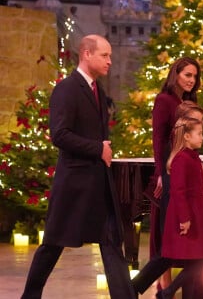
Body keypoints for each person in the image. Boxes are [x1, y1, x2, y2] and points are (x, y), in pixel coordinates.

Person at [20, 35, 136, 299]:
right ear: (86, 54)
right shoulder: (67, 89)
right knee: (52, 245)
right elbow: (59, 135)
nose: (110, 61)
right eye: (104, 55)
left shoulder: (98, 90)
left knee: (111, 242)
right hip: (75, 184)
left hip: (98, 183)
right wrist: (98, 149)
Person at [132, 57, 203, 296]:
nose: (192, 80)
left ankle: (164, 290)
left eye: (194, 76)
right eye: (187, 75)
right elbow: (159, 139)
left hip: (187, 172)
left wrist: (199, 164)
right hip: (172, 174)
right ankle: (138, 288)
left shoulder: (189, 101)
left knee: (190, 242)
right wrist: (161, 173)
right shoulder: (164, 101)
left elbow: (191, 141)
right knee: (173, 240)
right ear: (176, 74)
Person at [156, 116, 203, 299]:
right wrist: (184, 218)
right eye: (199, 134)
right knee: (198, 260)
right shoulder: (181, 159)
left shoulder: (192, 156)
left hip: (197, 214)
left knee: (199, 260)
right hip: (189, 216)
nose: (202, 137)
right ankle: (168, 291)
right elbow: (178, 191)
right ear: (186, 136)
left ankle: (168, 292)